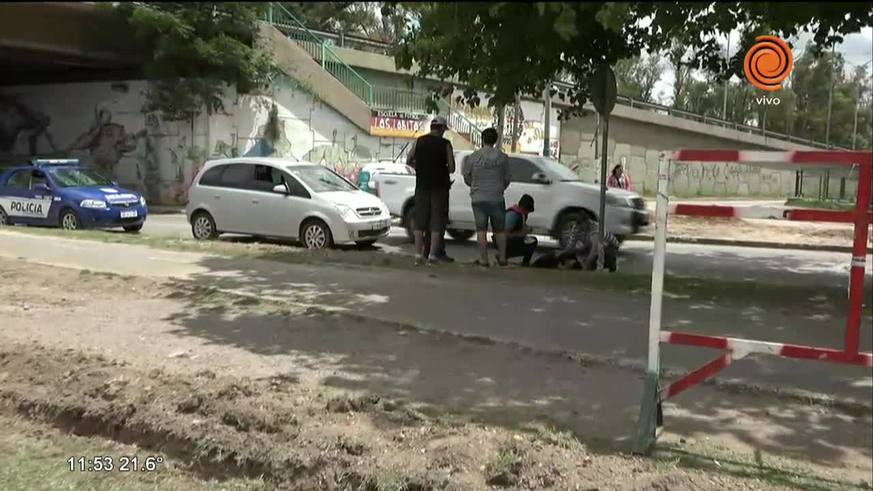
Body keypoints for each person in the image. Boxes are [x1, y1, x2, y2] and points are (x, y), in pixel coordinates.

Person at [406, 116, 455, 266]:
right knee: (436, 221)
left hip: (421, 186)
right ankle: (433, 255)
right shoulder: (445, 144)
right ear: (441, 129)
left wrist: (419, 168)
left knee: (420, 221)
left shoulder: (419, 141)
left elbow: (409, 159)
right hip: (440, 187)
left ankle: (417, 255)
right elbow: (452, 168)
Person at [462, 127, 510, 267]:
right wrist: (499, 188)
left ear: (482, 139)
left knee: (481, 230)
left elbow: (466, 176)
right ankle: (502, 258)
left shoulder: (474, 156)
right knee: (500, 230)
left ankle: (483, 260)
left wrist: (474, 186)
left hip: (478, 198)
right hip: (496, 198)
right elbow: (507, 178)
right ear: (495, 140)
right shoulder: (503, 158)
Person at [496, 194, 537, 266]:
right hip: (504, 241)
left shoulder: (520, 214)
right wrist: (520, 234)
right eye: (527, 211)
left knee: (532, 240)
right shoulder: (513, 215)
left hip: (511, 238)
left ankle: (524, 261)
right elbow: (503, 234)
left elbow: (519, 226)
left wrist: (526, 229)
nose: (527, 213)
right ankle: (503, 255)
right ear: (523, 207)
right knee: (531, 243)